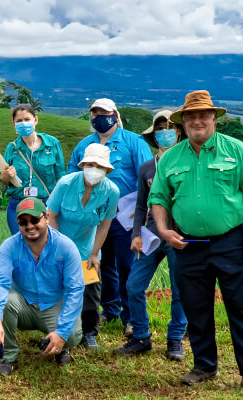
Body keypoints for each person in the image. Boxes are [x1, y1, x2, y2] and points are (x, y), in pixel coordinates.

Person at [149, 90, 243, 394]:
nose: (197, 120)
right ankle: (204, 365)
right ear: (183, 123)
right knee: (195, 307)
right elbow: (159, 197)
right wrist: (163, 231)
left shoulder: (237, 151)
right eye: (190, 116)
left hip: (232, 241)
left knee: (242, 308)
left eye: (203, 115)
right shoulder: (171, 158)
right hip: (188, 244)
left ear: (214, 118)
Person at [66, 98, 153, 329]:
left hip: (127, 216)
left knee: (128, 266)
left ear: (114, 115)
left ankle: (132, 317)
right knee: (100, 264)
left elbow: (147, 177)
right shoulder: (85, 145)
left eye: (103, 113)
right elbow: (72, 175)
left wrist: (144, 210)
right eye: (94, 114)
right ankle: (110, 308)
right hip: (94, 216)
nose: (98, 118)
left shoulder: (133, 141)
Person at [119, 109, 189, 359]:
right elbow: (140, 204)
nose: (165, 132)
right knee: (133, 285)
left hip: (180, 235)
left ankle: (175, 338)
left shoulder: (188, 162)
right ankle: (140, 336)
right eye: (160, 127)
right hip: (150, 234)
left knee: (179, 288)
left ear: (179, 132)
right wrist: (135, 233)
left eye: (171, 127)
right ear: (154, 134)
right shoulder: (147, 168)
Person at [0, 197, 84, 376]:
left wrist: (62, 333)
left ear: (46, 217)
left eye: (34, 220)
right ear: (18, 223)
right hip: (24, 303)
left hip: (54, 304)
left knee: (72, 336)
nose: (29, 225)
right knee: (5, 301)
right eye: (23, 222)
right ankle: (8, 356)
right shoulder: (9, 247)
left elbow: (74, 290)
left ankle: (58, 345)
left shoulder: (66, 247)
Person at [45, 143, 120, 350]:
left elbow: (105, 226)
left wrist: (95, 253)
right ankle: (57, 328)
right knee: (58, 287)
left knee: (90, 290)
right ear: (83, 165)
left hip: (88, 246)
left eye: (100, 166)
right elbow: (51, 216)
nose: (94, 170)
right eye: (91, 164)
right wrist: (58, 246)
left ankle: (89, 332)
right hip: (59, 242)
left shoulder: (111, 192)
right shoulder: (66, 183)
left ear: (106, 170)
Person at [1, 104, 64, 235]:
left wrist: (58, 206)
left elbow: (61, 177)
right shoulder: (12, 148)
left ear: (35, 120)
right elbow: (4, 181)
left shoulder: (52, 144)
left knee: (47, 245)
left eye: (27, 119)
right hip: (18, 205)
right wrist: (7, 176)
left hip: (46, 205)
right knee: (22, 246)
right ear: (14, 124)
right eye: (19, 121)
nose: (23, 123)